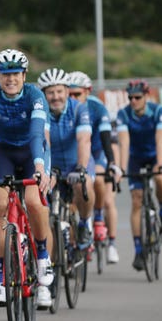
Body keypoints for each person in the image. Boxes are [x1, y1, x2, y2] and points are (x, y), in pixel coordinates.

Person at [0, 49, 53, 308]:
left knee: (33, 202)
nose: (10, 79)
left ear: (24, 75)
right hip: (2, 153)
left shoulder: (35, 95)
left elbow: (36, 135)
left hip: (33, 152)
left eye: (15, 74)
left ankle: (43, 260)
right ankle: (1, 278)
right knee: (0, 207)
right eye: (5, 75)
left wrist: (40, 167)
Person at [116, 79, 162, 271]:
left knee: (159, 177)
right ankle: (139, 250)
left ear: (146, 96)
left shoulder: (158, 112)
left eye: (137, 97)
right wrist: (122, 168)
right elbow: (123, 142)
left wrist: (160, 164)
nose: (133, 101)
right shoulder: (123, 114)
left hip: (155, 153)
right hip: (135, 158)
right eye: (130, 97)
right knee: (137, 200)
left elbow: (161, 140)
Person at [68, 71, 123, 263]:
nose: (73, 98)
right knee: (72, 200)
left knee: (98, 178)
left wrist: (113, 164)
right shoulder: (62, 107)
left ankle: (98, 218)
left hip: (97, 152)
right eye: (70, 94)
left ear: (88, 92)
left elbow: (108, 139)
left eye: (77, 94)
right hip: (74, 153)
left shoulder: (97, 108)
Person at [39, 68, 95, 249]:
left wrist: (80, 167)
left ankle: (85, 222)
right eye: (50, 92)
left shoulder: (79, 108)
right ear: (44, 94)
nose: (55, 97)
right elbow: (43, 140)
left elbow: (84, 140)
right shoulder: (41, 111)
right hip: (52, 165)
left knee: (83, 183)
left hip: (76, 162)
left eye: (59, 91)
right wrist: (46, 171)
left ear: (67, 91)